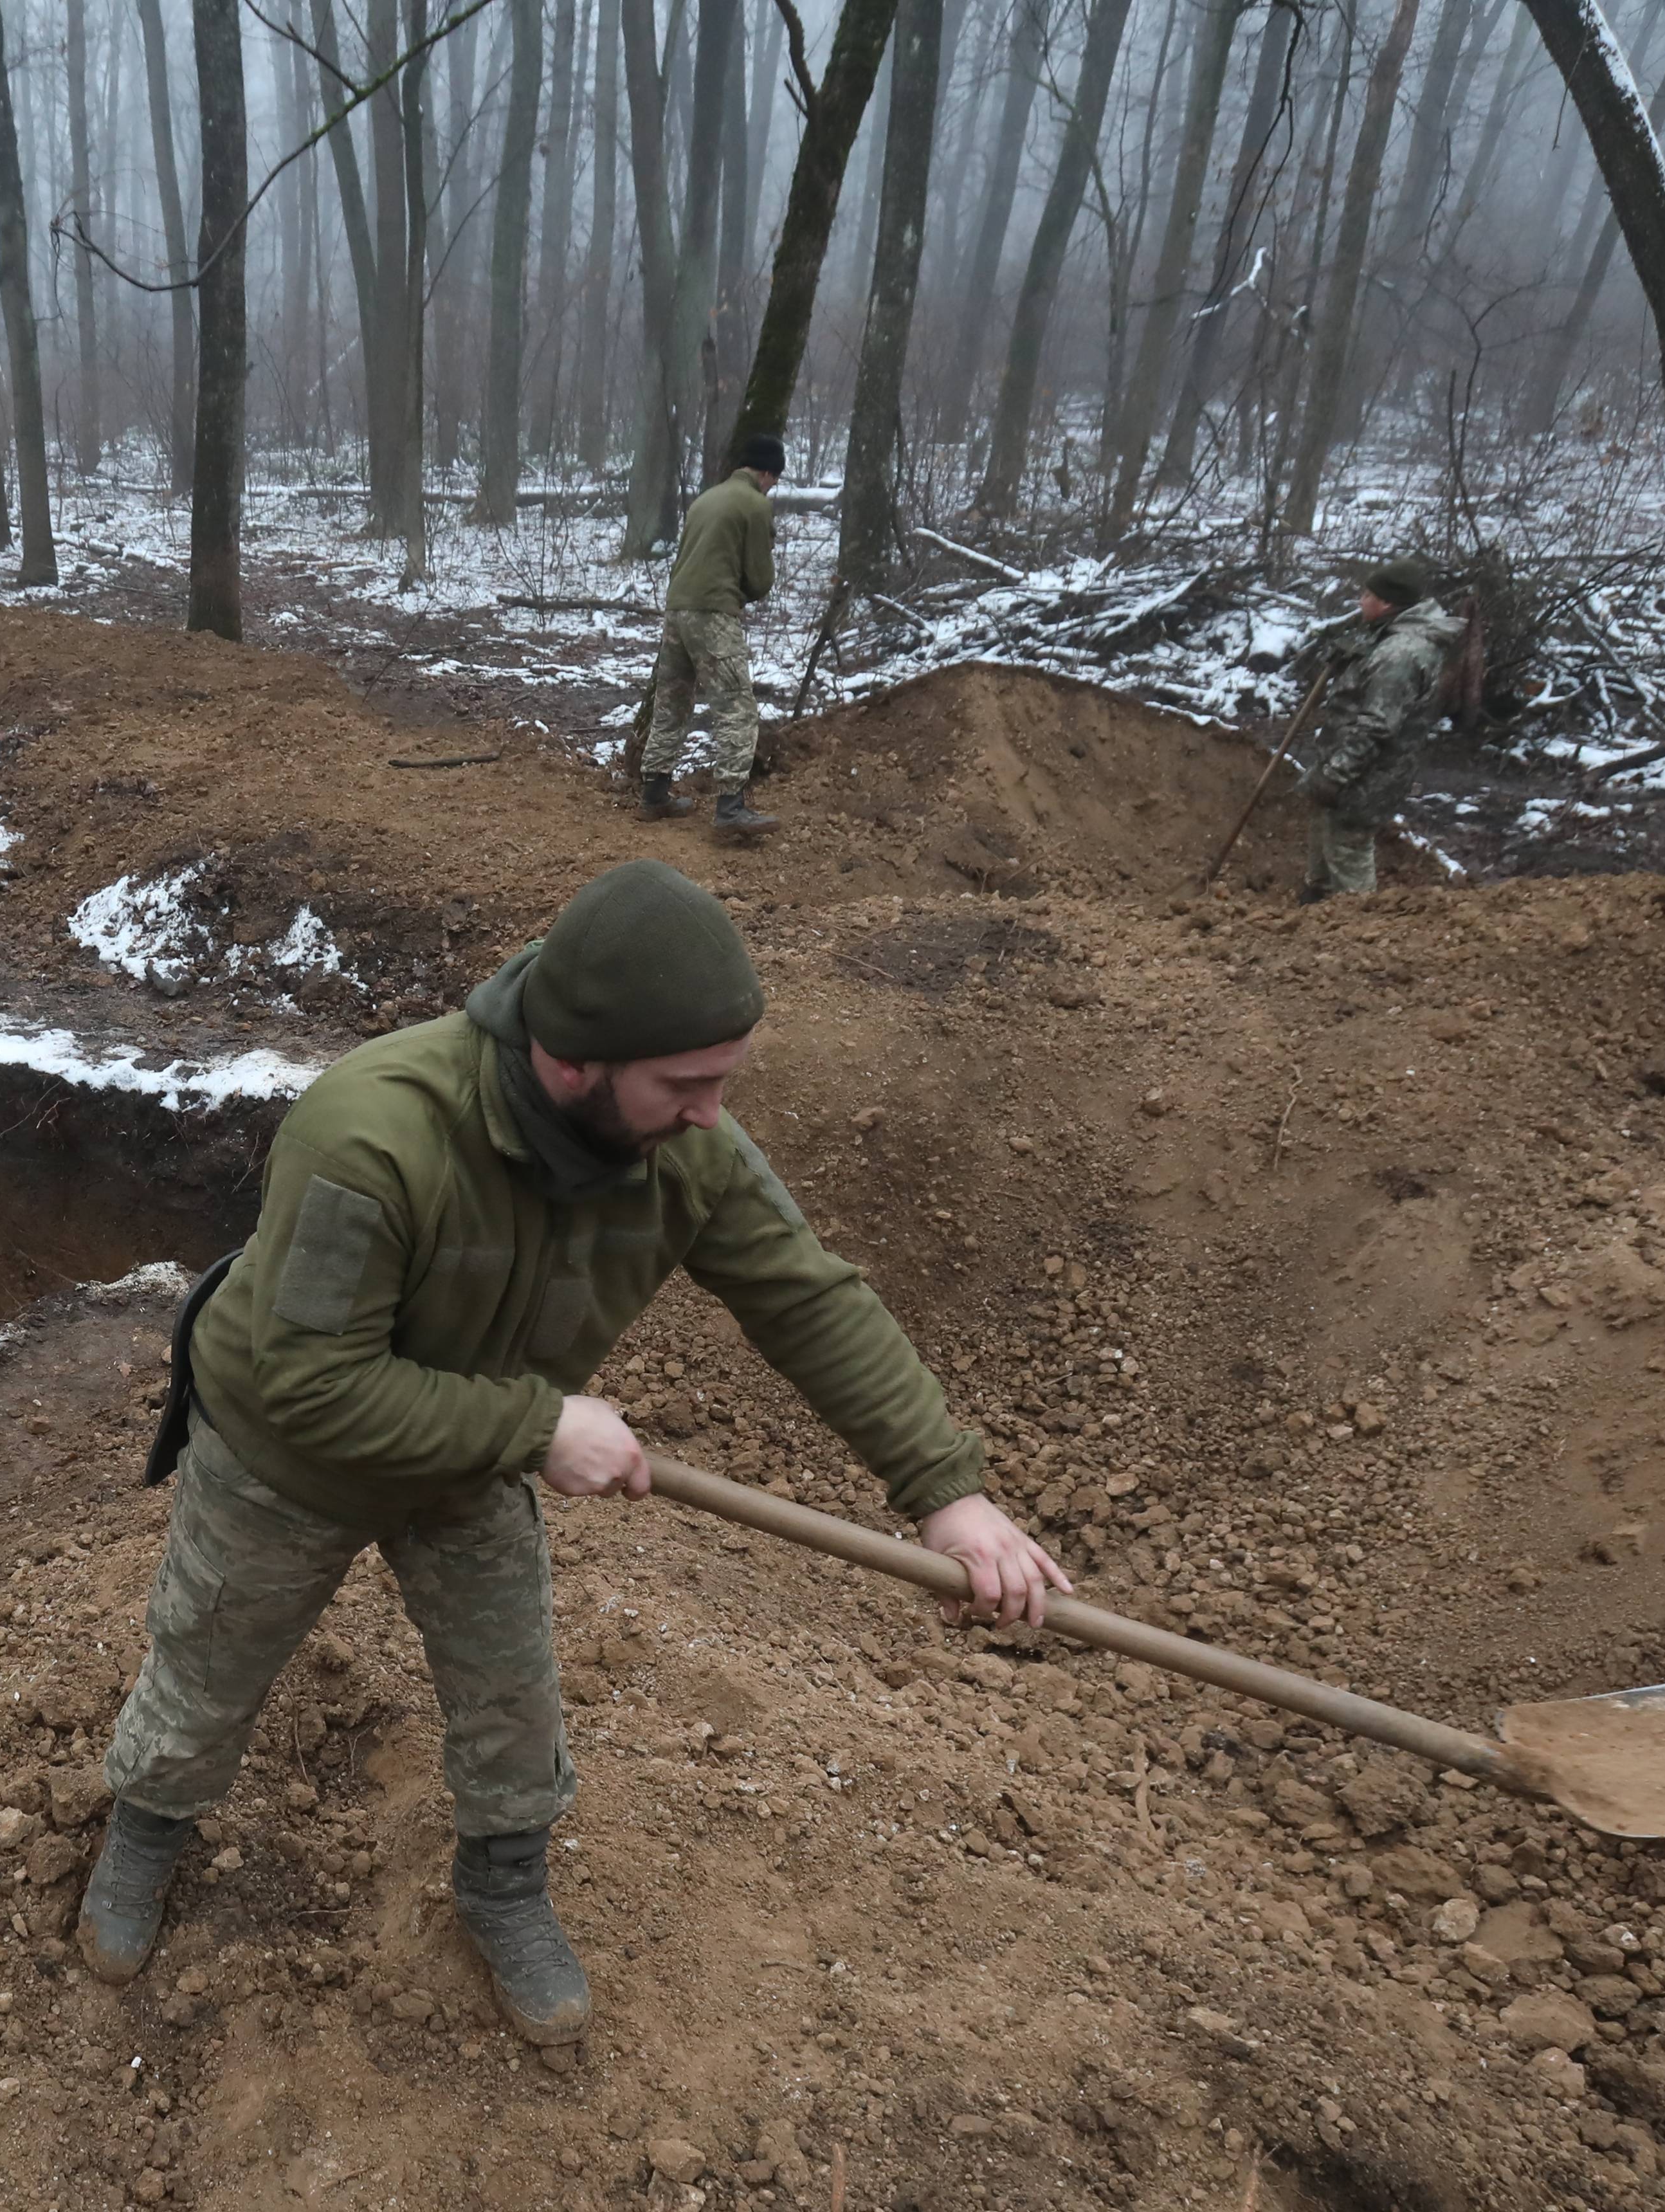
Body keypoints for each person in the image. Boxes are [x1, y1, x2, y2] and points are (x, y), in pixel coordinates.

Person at [80, 860, 1061, 2046]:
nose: (713, 1115)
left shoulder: (683, 1146)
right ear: (571, 1062)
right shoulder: (373, 1132)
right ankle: (148, 1828)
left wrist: (946, 1494)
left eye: (722, 1081)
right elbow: (311, 1386)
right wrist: (540, 1428)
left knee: (511, 1690)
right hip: (288, 1457)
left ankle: (503, 1883)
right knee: (210, 1662)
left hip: (466, 1464)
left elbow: (809, 1299)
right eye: (685, 1085)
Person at [1293, 556, 1471, 899]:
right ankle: (1316, 899)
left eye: (1367, 595)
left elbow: (1377, 725)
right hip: (1348, 758)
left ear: (1387, 603)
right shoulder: (1390, 634)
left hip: (1368, 770)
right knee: (1326, 827)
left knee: (1348, 841)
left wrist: (1337, 774)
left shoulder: (1399, 656)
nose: (1360, 601)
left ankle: (1356, 917)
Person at [637, 433, 783, 843]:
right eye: (775, 479)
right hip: (714, 612)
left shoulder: (705, 499)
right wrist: (744, 590)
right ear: (768, 472)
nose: (773, 486)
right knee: (736, 706)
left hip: (677, 609)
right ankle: (731, 809)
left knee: (672, 700)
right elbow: (760, 578)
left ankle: (654, 794)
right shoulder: (756, 504)